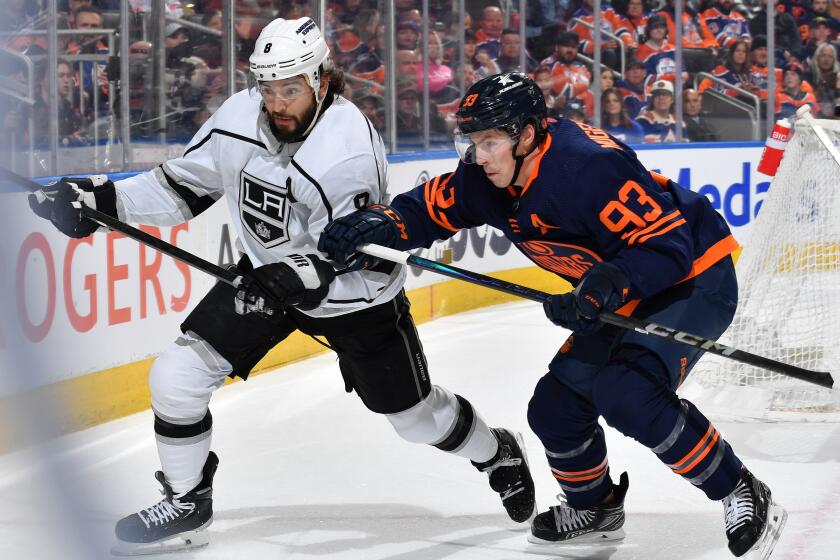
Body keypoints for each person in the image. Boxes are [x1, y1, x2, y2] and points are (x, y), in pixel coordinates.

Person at [28, 18, 536, 555]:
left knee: (415, 420)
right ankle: (187, 501)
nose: (277, 102)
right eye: (267, 88)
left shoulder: (346, 150)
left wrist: (287, 275)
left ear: (321, 80)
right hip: (269, 278)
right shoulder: (240, 115)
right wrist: (103, 202)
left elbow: (353, 256)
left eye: (290, 88)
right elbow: (182, 185)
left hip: (355, 298)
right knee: (176, 377)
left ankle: (496, 452)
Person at [318, 72, 787, 557]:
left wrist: (602, 286)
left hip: (692, 278)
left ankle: (740, 488)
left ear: (526, 134)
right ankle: (597, 508)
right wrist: (381, 226)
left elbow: (666, 249)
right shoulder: (486, 174)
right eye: (472, 141)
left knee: (626, 391)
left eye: (490, 141)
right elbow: (430, 210)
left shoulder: (589, 168)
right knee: (556, 409)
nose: (478, 155)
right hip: (620, 288)